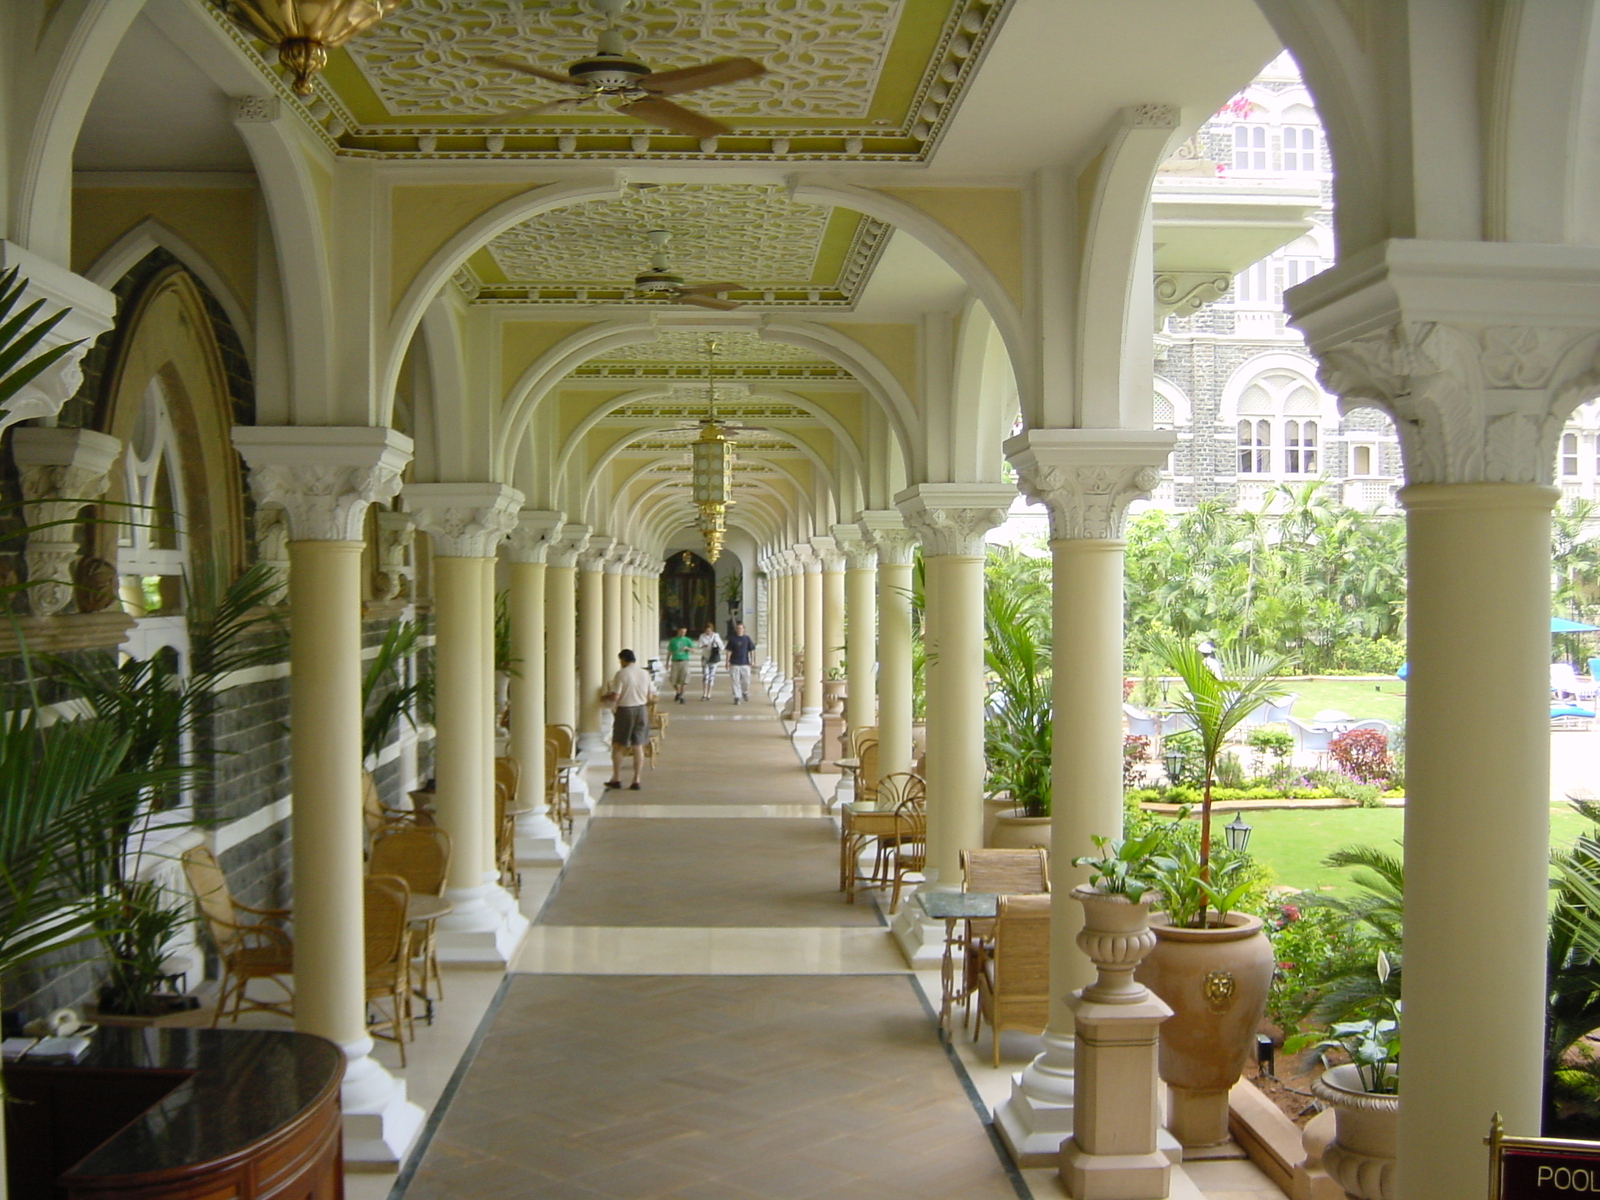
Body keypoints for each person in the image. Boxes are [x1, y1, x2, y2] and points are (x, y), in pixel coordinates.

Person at [602, 649, 656, 790]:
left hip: (625, 710)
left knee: (619, 745)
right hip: (641, 710)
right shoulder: (645, 673)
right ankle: (636, 779)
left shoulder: (622, 674)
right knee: (638, 745)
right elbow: (650, 697)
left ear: (623, 660)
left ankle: (616, 777)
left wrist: (603, 698)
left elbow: (615, 697)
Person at [725, 621, 756, 705]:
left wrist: (752, 660)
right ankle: (737, 697)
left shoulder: (747, 639)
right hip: (734, 663)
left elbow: (751, 650)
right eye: (738, 628)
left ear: (744, 629)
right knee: (735, 681)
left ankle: (745, 692)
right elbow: (729, 651)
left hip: (745, 663)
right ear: (736, 629)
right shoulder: (732, 639)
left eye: (741, 628)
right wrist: (727, 661)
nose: (739, 630)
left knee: (746, 681)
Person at [665, 625, 694, 703]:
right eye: (681, 631)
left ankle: (681, 695)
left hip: (684, 660)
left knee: (684, 678)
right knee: (673, 679)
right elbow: (669, 652)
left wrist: (687, 648)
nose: (683, 633)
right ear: (678, 631)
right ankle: (678, 691)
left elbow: (693, 650)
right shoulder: (673, 640)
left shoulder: (688, 640)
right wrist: (667, 662)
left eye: (684, 632)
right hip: (675, 661)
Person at [697, 622, 724, 700]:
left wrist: (717, 646)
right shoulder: (702, 636)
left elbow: (721, 646)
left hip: (713, 657)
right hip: (705, 657)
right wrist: (704, 646)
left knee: (711, 676)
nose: (708, 632)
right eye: (707, 631)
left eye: (709, 631)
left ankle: (709, 693)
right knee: (705, 675)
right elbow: (699, 646)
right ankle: (704, 693)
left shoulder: (716, 636)